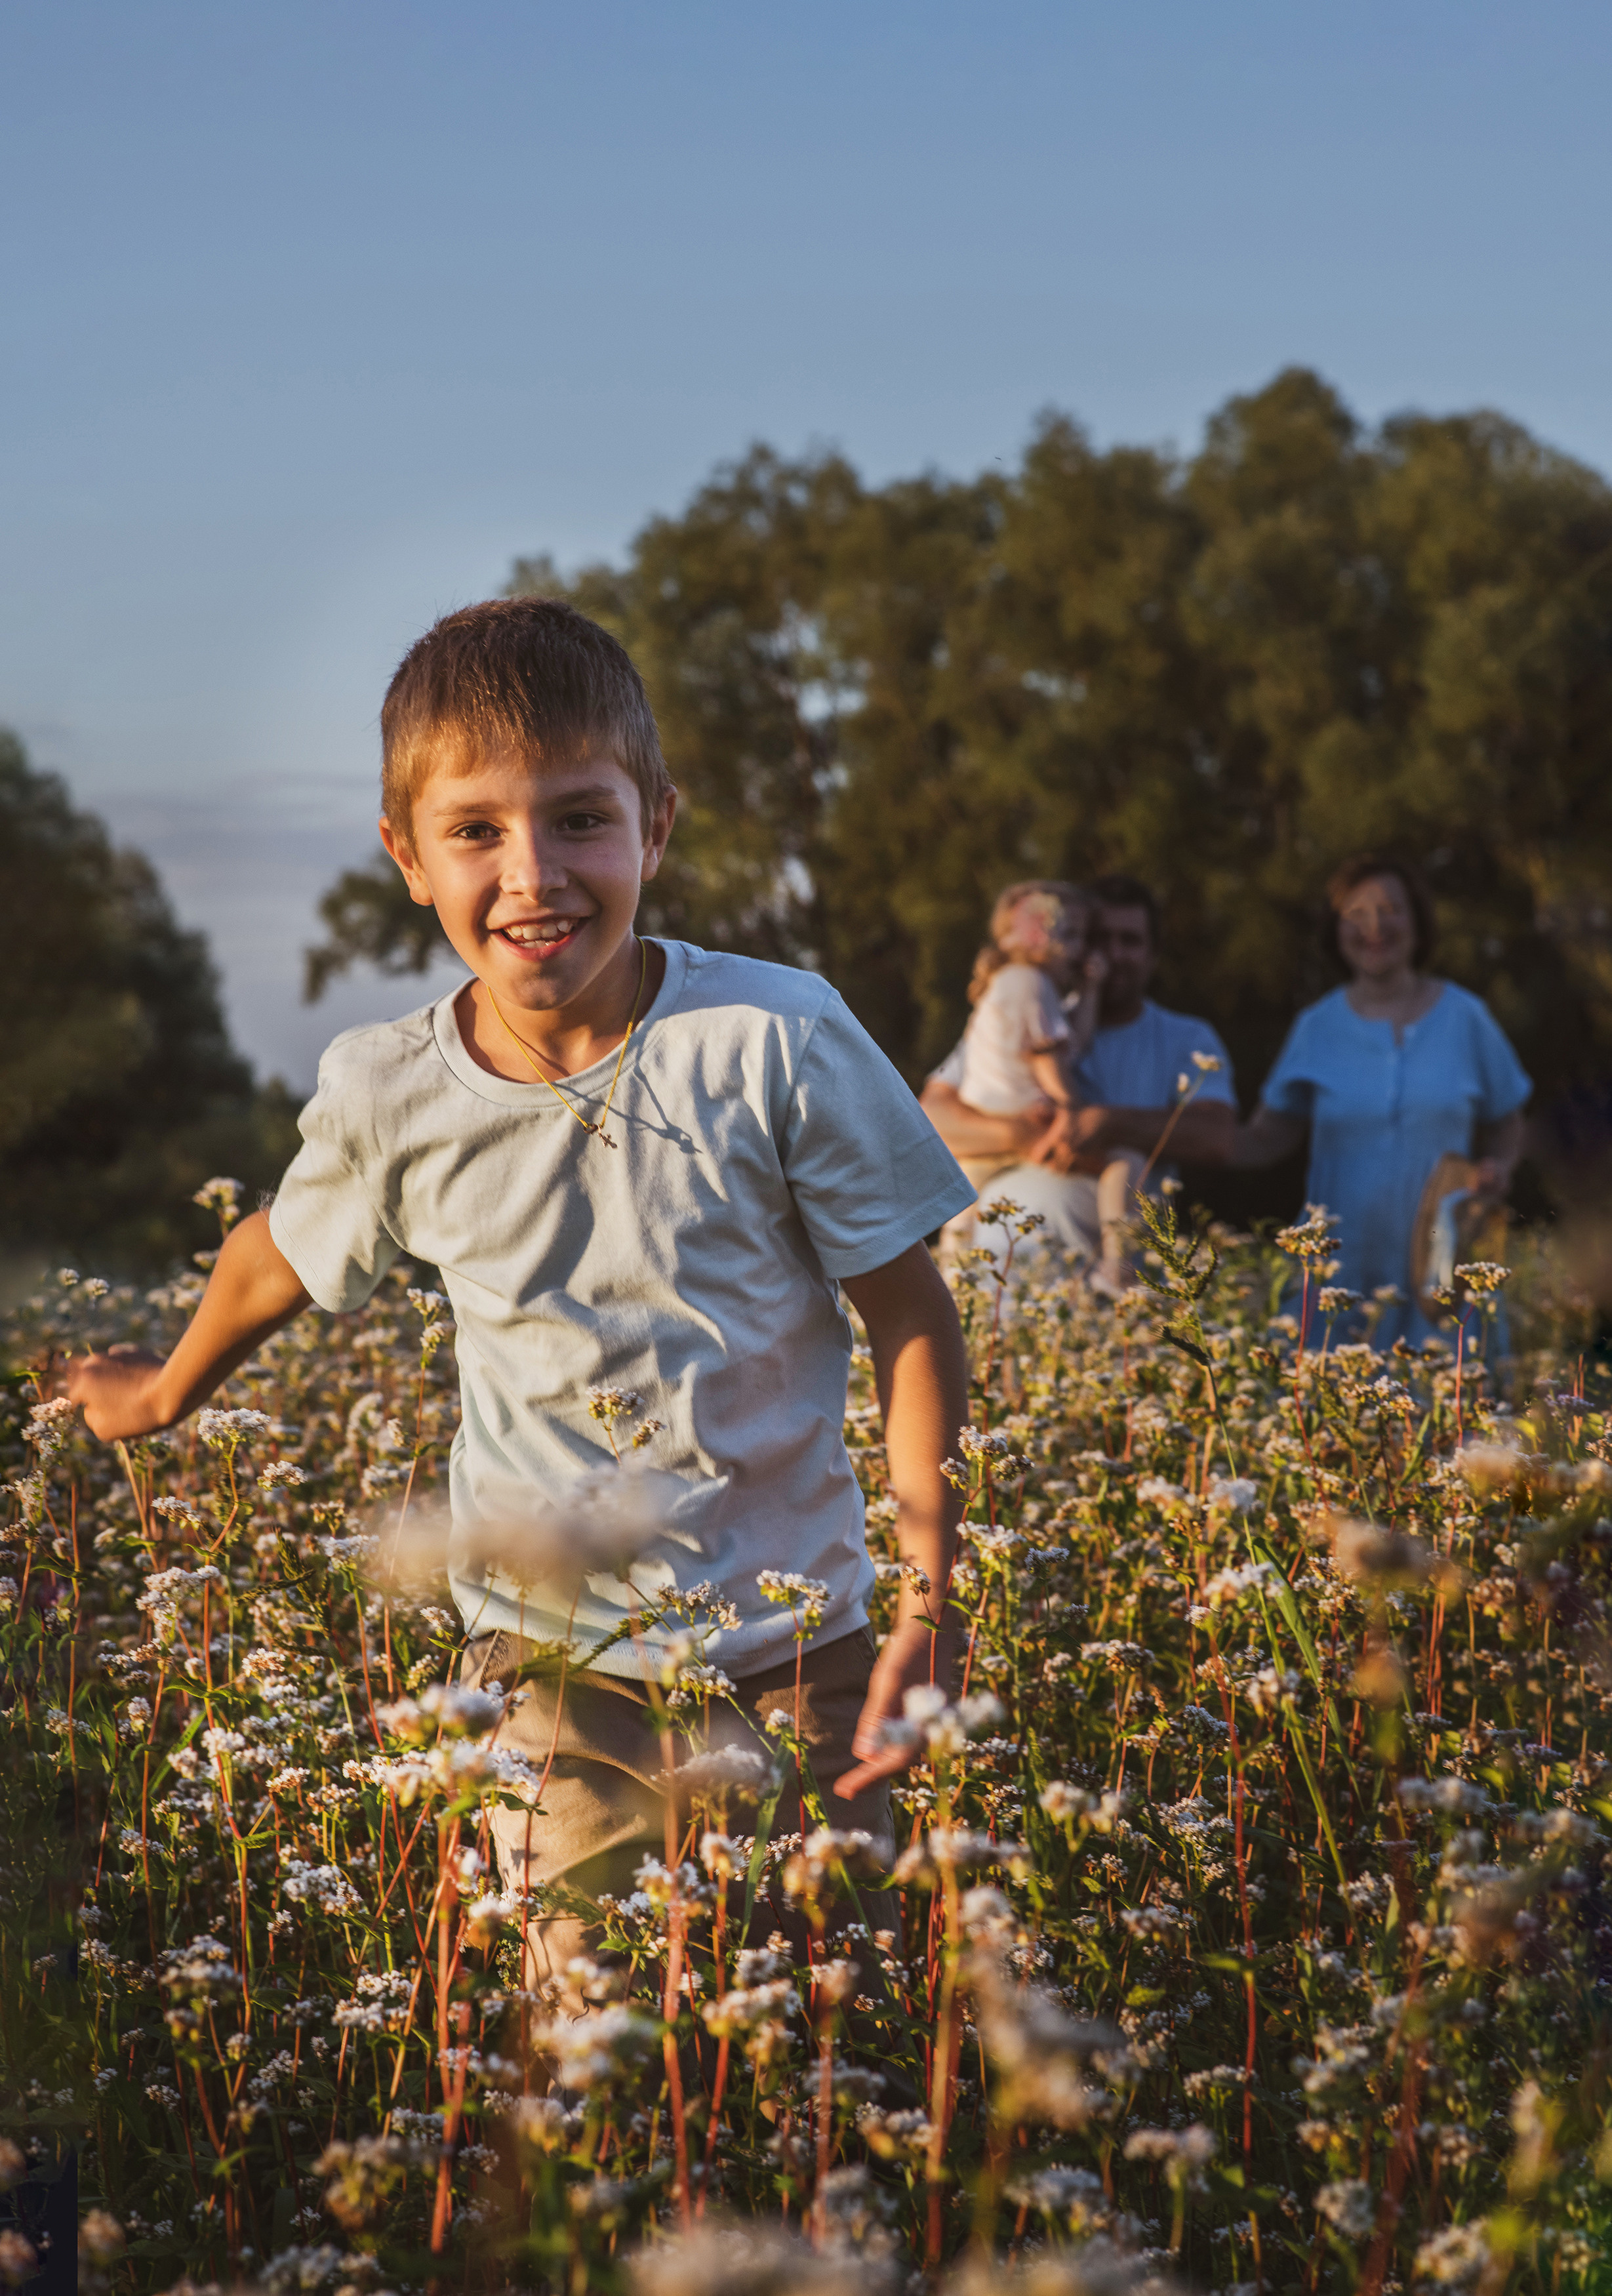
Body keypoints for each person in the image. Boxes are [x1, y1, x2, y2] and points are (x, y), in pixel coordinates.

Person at [66, 596, 975, 1992]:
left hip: (807, 1649)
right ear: (407, 857)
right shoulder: (392, 1091)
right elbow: (274, 1253)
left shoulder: (773, 1037)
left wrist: (929, 1590)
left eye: (580, 820)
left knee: (814, 2023)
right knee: (592, 2024)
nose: (533, 872)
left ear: (655, 826)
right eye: (476, 830)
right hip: (556, 1666)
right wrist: (163, 1390)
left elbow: (908, 1314)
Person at [1231, 854, 1530, 1347]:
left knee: (1448, 1414)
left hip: (1440, 1274)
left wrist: (1498, 1167)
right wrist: (1175, 1127)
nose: (1374, 926)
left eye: (1391, 909)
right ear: (1336, 929)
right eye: (1355, 913)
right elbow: (1263, 1138)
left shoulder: (1466, 1017)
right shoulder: (1317, 1027)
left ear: (1417, 922)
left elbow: (1509, 1122)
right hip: (1337, 1275)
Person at [921, 872, 1235, 1265]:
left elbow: (1217, 1136)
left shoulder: (1186, 1037)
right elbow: (930, 1120)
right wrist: (1018, 1134)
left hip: (1118, 1298)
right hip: (1005, 1279)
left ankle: (1116, 1270)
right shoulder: (1012, 1017)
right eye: (1097, 940)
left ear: (1155, 954)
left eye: (1131, 941)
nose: (1112, 955)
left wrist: (1106, 1122)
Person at [946, 878, 1143, 1291]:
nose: (1080, 951)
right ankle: (1118, 1268)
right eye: (1071, 935)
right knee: (1125, 1164)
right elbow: (1048, 1055)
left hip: (987, 1126)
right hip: (1029, 1119)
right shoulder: (1030, 984)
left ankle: (953, 1280)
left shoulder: (1012, 984)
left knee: (963, 1208)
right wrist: (1070, 1107)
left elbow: (1073, 1040)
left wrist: (1089, 989)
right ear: (1041, 936)